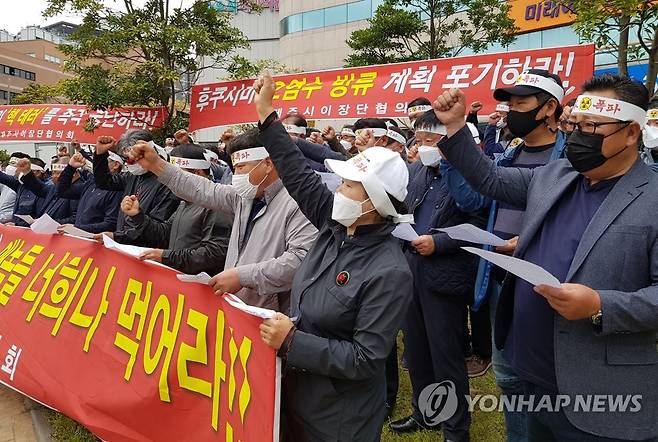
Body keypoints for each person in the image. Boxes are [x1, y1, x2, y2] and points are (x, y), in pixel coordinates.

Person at [435, 73, 658, 441]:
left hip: (602, 393)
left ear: (632, 132)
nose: (579, 135)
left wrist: (601, 305)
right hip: (531, 374)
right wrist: (457, 125)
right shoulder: (556, 175)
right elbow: (491, 180)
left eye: (592, 127)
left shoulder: (651, 198)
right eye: (575, 125)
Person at [251, 72, 413, 442]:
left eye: (348, 185)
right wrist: (266, 114)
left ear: (375, 202)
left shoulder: (389, 272)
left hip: (340, 418)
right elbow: (298, 175)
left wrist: (292, 342)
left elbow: (365, 358)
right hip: (299, 394)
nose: (337, 189)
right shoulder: (336, 225)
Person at [125, 128, 318, 312]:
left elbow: (300, 260)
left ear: (268, 164)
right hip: (237, 308)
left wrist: (243, 276)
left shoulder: (300, 202)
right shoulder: (245, 197)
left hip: (270, 318)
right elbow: (203, 190)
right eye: (234, 168)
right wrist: (156, 165)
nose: (237, 176)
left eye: (242, 167)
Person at [389, 110, 488, 441]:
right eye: (418, 139)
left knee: (445, 356)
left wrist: (441, 242)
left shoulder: (470, 175)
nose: (422, 146)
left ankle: (455, 429)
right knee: (416, 350)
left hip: (445, 274)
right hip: (411, 270)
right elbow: (405, 210)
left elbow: (480, 224)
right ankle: (424, 412)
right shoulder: (417, 171)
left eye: (430, 140)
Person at [120, 144, 232, 276]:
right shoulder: (184, 202)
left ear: (197, 173)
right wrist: (137, 215)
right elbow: (164, 234)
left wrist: (167, 257)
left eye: (178, 175)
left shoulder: (217, 206)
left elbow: (213, 254)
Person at [92, 129, 180, 245]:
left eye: (133, 159)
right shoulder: (133, 175)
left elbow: (157, 230)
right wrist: (100, 155)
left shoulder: (167, 183)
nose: (129, 164)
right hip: (124, 246)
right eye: (126, 159)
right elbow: (104, 182)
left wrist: (117, 237)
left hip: (146, 252)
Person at [56, 152, 124, 234]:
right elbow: (63, 191)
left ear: (116, 165)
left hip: (96, 241)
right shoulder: (91, 183)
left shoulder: (118, 190)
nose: (96, 166)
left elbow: (110, 224)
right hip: (80, 238)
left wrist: (77, 229)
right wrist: (71, 167)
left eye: (101, 162)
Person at [18, 156, 79, 224]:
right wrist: (27, 171)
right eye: (53, 173)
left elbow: (75, 219)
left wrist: (49, 223)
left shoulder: (78, 191)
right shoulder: (54, 188)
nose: (55, 176)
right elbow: (40, 188)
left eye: (59, 173)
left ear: (71, 173)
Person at [0, 155, 48, 226]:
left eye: (26, 170)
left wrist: (17, 225)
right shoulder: (20, 185)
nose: (19, 172)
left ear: (38, 172)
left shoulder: (45, 191)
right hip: (16, 229)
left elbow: (39, 218)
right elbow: (2, 177)